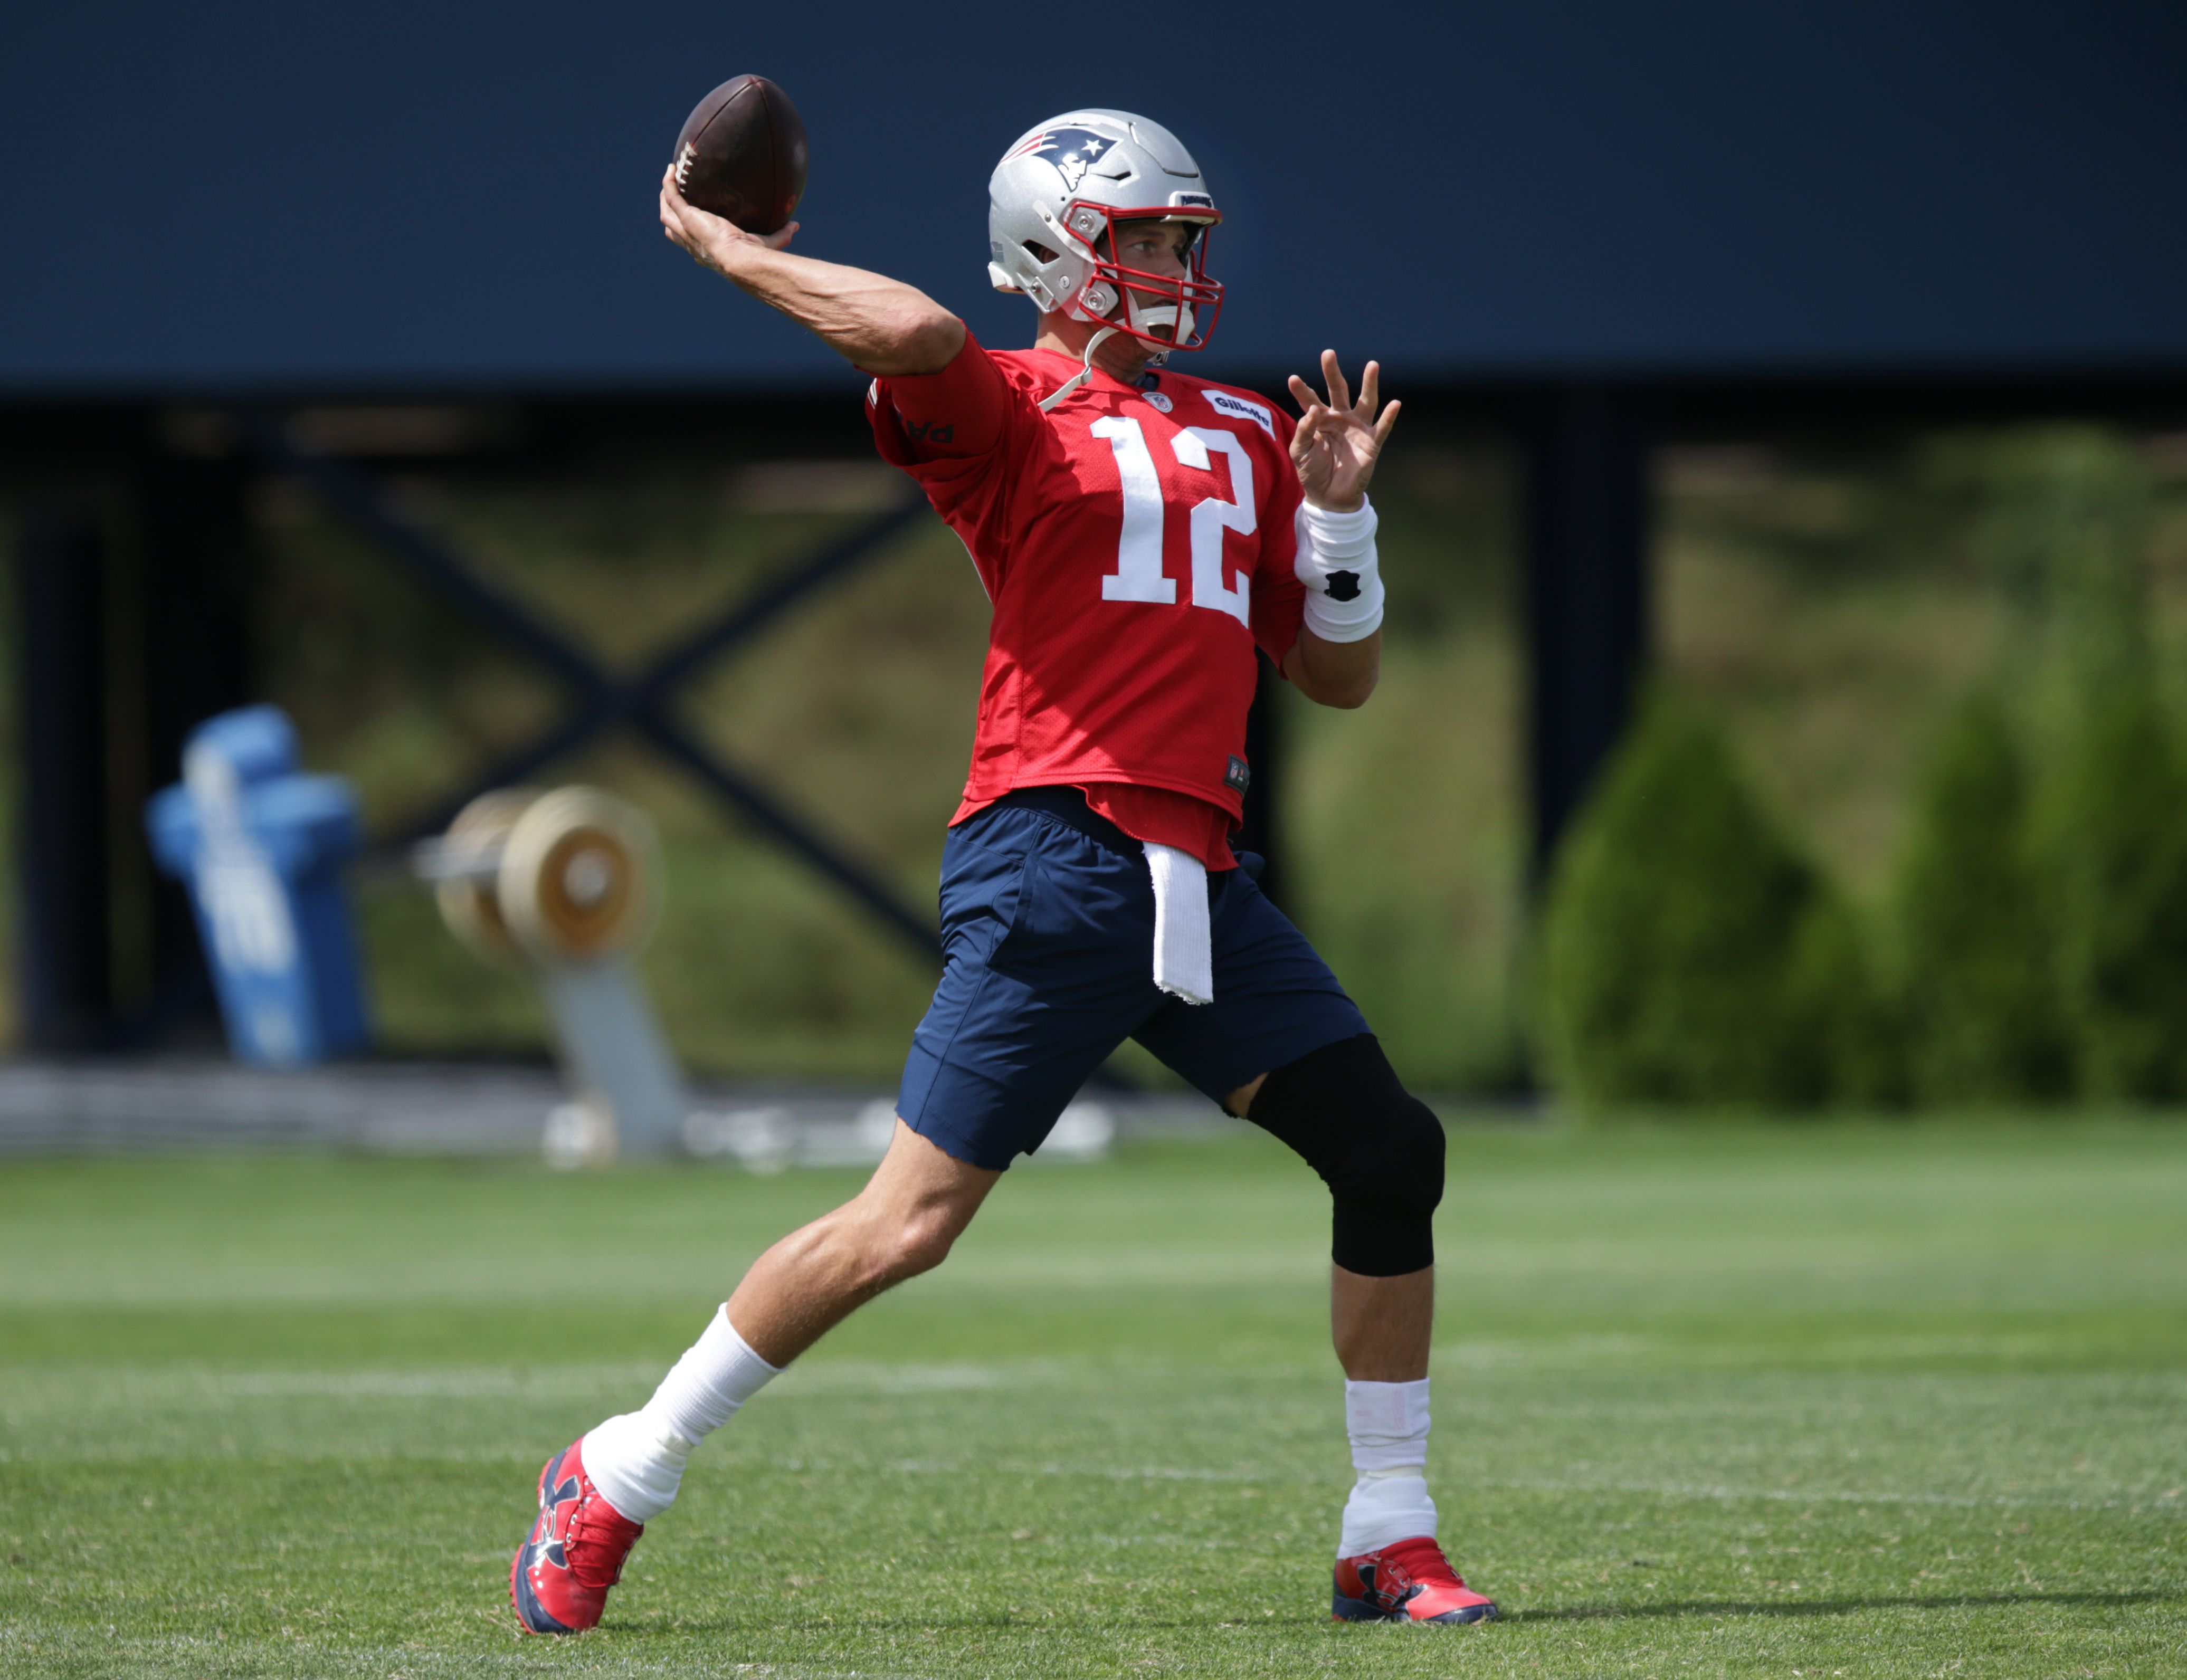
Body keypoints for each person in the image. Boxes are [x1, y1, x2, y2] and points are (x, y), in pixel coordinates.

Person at [510, 107, 1497, 1634]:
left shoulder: (1245, 431)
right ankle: (620, 1467)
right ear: (1055, 252)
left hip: (1197, 867)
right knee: (905, 1225)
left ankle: (1391, 1531)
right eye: (1146, 240)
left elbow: (1338, 677)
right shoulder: (1011, 406)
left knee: (1389, 1151)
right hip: (1053, 849)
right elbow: (907, 326)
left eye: (1186, 240)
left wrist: (1347, 514)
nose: (1177, 267)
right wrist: (720, 244)